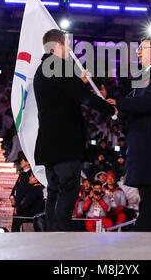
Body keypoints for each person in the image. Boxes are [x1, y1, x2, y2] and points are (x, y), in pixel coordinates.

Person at [33, 29, 117, 231]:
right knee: (67, 190)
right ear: (59, 45)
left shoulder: (42, 70)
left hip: (49, 144)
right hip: (65, 145)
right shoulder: (58, 67)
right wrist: (110, 108)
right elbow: (82, 97)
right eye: (68, 46)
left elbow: (61, 96)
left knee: (54, 191)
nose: (70, 50)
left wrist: (78, 83)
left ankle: (52, 237)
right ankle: (60, 237)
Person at [106, 35, 151, 231]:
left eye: (143, 48)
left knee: (150, 200)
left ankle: (140, 247)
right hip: (147, 150)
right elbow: (132, 105)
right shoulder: (146, 77)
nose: (138, 52)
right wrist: (111, 104)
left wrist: (119, 104)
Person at [10, 151, 32, 232]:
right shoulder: (21, 174)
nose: (20, 162)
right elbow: (15, 188)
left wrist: (18, 207)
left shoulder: (32, 175)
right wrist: (12, 197)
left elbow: (30, 194)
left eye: (22, 160)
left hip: (26, 209)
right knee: (14, 231)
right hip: (18, 208)